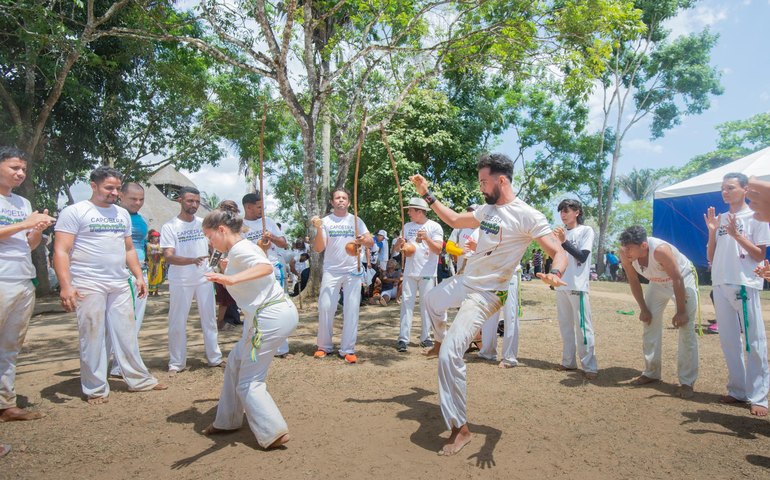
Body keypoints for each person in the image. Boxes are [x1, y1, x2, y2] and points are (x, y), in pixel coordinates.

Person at [412, 153, 567, 456]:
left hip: (489, 293)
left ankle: (460, 430)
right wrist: (427, 194)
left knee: (450, 358)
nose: (481, 187)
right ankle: (441, 341)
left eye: (484, 181)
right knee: (431, 300)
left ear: (502, 180)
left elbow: (557, 251)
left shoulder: (527, 215)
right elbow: (455, 219)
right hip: (467, 280)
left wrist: (556, 272)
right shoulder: (488, 209)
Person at [53, 166, 166, 403]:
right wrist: (66, 285)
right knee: (92, 334)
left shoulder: (121, 214)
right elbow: (61, 250)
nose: (114, 192)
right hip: (88, 283)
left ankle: (138, 379)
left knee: (127, 332)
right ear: (93, 186)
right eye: (109, 188)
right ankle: (95, 388)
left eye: (116, 188)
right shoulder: (75, 212)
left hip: (119, 282)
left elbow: (128, 248)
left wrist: (138, 275)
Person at [201, 207, 298, 449]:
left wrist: (230, 278)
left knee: (249, 382)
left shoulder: (242, 249)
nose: (210, 243)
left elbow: (265, 268)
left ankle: (273, 432)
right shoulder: (238, 250)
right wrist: (227, 269)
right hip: (267, 315)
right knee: (234, 362)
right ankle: (227, 421)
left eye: (210, 237)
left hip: (269, 317)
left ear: (221, 230)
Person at [705, 172, 770, 416]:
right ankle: (738, 390)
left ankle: (759, 397)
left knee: (754, 341)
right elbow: (710, 257)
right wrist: (713, 232)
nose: (725, 192)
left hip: (744, 284)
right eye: (723, 188)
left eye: (730, 187)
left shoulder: (757, 216)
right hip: (720, 282)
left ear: (745, 190)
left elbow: (760, 255)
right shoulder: (720, 218)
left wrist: (737, 236)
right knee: (729, 341)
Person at [0, 146, 55, 421]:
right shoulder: (20, 211)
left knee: (11, 345)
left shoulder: (21, 203)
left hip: (22, 279)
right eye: (14, 168)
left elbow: (28, 245)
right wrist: (25, 223)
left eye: (23, 169)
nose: (20, 173)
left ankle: (6, 403)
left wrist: (35, 231)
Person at [618, 226, 699, 398]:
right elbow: (633, 280)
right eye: (624, 247)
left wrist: (681, 311)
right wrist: (643, 309)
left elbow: (677, 278)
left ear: (644, 246)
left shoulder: (660, 251)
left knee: (686, 328)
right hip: (657, 282)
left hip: (682, 279)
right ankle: (651, 372)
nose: (626, 251)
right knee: (649, 322)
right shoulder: (625, 253)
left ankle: (687, 382)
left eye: (630, 248)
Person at [160, 186, 224, 374]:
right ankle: (176, 362)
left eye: (196, 201)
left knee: (209, 319)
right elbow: (168, 256)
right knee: (178, 321)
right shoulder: (170, 226)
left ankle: (214, 358)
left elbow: (215, 246)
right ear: (180, 200)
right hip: (180, 280)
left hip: (204, 278)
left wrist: (215, 262)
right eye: (190, 201)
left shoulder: (203, 223)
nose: (194, 204)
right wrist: (192, 260)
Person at [310, 188, 373, 364]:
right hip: (332, 270)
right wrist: (319, 229)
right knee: (325, 306)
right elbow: (318, 248)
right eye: (337, 198)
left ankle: (348, 349)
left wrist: (362, 240)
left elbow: (370, 241)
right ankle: (324, 346)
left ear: (349, 202)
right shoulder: (324, 221)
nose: (340, 200)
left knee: (351, 309)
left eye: (344, 198)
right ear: (332, 202)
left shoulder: (356, 220)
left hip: (353, 270)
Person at [552, 199, 598, 380]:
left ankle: (590, 366)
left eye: (566, 210)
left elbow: (582, 256)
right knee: (565, 327)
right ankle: (568, 361)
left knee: (583, 328)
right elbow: (555, 257)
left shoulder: (586, 231)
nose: (563, 214)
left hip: (577, 286)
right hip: (562, 285)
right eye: (561, 211)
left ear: (577, 212)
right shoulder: (559, 233)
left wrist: (564, 242)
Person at [392, 197, 444, 353]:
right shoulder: (406, 226)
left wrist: (426, 238)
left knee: (426, 305)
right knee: (406, 304)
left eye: (411, 210)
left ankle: (426, 337)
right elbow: (396, 249)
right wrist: (399, 243)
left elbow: (438, 250)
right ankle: (403, 338)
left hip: (428, 272)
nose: (408, 213)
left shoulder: (434, 227)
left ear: (420, 212)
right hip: (409, 272)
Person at [109, 182, 149, 377]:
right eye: (133, 199)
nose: (138, 202)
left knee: (135, 320)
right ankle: (118, 363)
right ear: (121, 196)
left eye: (141, 199)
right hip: (120, 273)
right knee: (120, 321)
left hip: (140, 273)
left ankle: (122, 362)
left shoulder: (140, 220)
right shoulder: (113, 216)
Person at [146, 230, 164, 296]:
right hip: (151, 264)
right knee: (151, 276)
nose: (157, 238)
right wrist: (154, 253)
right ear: (152, 238)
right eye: (156, 237)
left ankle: (156, 291)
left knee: (158, 276)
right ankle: (150, 291)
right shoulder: (148, 245)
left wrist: (161, 253)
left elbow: (163, 253)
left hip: (158, 264)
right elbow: (148, 253)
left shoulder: (159, 245)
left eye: (158, 237)